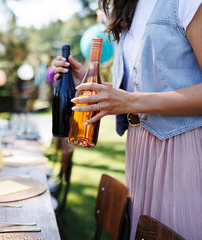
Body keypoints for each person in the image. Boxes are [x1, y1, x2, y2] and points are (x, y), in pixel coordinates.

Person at [53, 0, 202, 239]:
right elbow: (141, 90)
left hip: (182, 148)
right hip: (138, 150)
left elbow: (134, 100)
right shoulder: (127, 8)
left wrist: (129, 102)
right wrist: (91, 85)